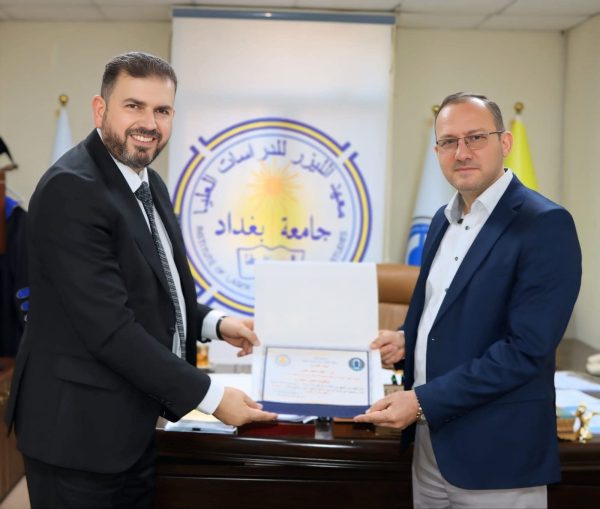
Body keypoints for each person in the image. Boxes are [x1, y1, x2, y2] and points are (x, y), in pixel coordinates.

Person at [4, 52, 277, 509]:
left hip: (132, 426)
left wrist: (214, 324)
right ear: (100, 109)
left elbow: (152, 290)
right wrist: (211, 397)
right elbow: (110, 328)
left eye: (162, 110)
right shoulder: (72, 188)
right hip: (76, 435)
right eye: (134, 106)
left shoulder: (147, 183)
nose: (149, 123)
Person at [356, 92, 581, 508]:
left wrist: (421, 401)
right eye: (448, 141)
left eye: (476, 137)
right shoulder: (442, 220)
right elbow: (444, 311)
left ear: (505, 143)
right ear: (437, 151)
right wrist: (407, 339)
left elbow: (526, 350)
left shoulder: (544, 224)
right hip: (430, 447)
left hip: (498, 454)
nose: (461, 152)